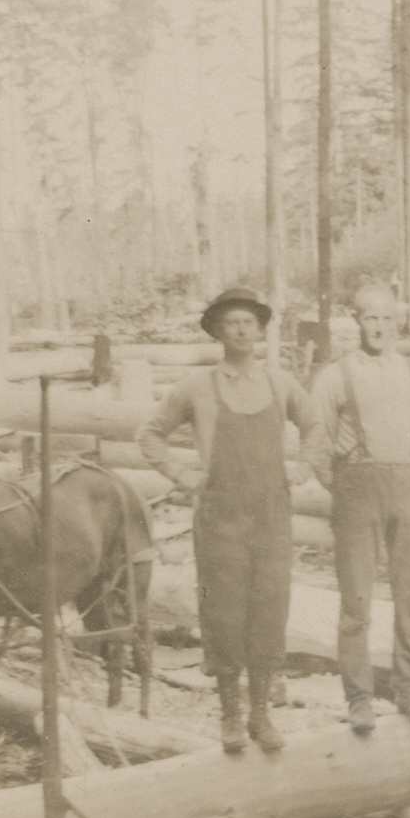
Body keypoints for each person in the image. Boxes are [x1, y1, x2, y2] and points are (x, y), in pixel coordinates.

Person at [140, 287, 316, 756]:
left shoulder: (281, 384)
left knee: (268, 608)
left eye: (249, 323)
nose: (241, 330)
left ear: (260, 331)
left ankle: (261, 714)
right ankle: (230, 716)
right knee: (223, 613)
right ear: (218, 332)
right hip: (220, 515)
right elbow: (151, 434)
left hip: (271, 515)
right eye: (231, 323)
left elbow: (316, 425)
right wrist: (181, 473)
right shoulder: (195, 387)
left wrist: (306, 465)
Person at [304, 283, 410, 733]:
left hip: (407, 486)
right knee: (357, 602)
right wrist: (342, 484)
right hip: (357, 489)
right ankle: (359, 697)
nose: (377, 327)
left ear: (396, 322)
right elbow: (316, 442)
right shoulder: (335, 375)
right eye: (369, 318)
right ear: (356, 321)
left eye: (385, 319)